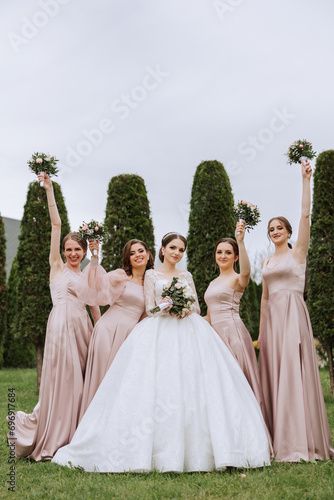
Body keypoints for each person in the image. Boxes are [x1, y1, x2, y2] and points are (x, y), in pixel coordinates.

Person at [52, 232, 270, 472]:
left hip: (188, 328)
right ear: (163, 250)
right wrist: (166, 306)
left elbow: (196, 306)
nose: (177, 252)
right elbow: (150, 308)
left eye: (181, 249)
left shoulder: (186, 275)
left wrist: (183, 307)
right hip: (158, 328)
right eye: (172, 248)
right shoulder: (151, 276)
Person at [10, 173, 100, 461]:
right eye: (68, 249)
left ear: (84, 251)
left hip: (83, 329)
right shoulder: (56, 267)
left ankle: (76, 435)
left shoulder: (87, 273)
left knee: (81, 381)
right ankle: (53, 434)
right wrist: (49, 190)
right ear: (62, 251)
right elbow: (56, 224)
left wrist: (100, 331)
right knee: (63, 379)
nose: (73, 253)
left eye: (78, 249)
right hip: (61, 326)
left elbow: (95, 304)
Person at [258, 160, 333, 462]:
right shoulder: (267, 263)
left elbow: (305, 215)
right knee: (275, 371)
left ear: (289, 232)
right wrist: (262, 332)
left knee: (292, 370)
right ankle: (278, 436)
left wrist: (305, 181)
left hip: (292, 314)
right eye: (271, 229)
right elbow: (263, 299)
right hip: (272, 321)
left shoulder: (297, 253)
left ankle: (299, 442)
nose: (275, 231)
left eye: (280, 228)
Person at [78, 239, 154, 418]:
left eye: (141, 251)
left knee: (119, 380)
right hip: (108, 330)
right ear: (128, 258)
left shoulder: (152, 282)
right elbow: (95, 286)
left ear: (148, 254)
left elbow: (148, 314)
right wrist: (95, 257)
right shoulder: (121, 276)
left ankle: (111, 423)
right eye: (132, 253)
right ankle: (90, 422)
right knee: (102, 377)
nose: (137, 255)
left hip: (130, 336)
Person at [204, 221, 266, 419]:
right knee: (221, 386)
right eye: (219, 252)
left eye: (228, 253)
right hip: (215, 337)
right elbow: (209, 315)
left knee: (238, 382)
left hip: (233, 334)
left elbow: (247, 272)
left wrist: (240, 241)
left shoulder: (238, 278)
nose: (223, 256)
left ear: (236, 256)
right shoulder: (213, 282)